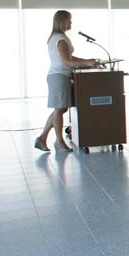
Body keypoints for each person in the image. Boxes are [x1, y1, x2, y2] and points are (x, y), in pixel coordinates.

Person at [35, 10, 100, 153]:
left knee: (61, 108)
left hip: (60, 76)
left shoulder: (59, 37)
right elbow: (67, 61)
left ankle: (42, 138)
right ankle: (59, 142)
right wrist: (87, 62)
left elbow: (70, 58)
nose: (71, 23)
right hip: (58, 76)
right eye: (69, 20)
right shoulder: (60, 38)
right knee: (59, 110)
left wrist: (87, 61)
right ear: (62, 21)